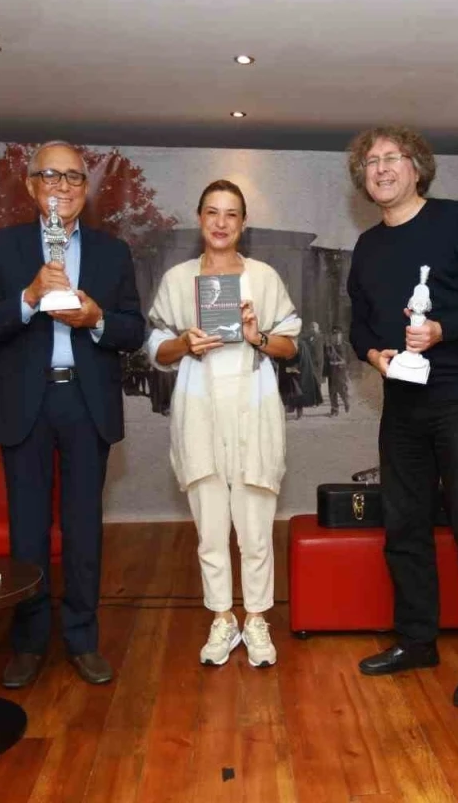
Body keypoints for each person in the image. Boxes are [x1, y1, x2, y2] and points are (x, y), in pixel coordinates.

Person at [345, 126, 458, 708]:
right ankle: (417, 641)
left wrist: (443, 329)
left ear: (417, 167)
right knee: (404, 529)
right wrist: (373, 354)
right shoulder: (368, 247)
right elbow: (359, 325)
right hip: (401, 403)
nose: (380, 168)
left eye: (391, 157)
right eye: (371, 161)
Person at [0, 141, 145, 688]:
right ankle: (27, 643)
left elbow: (133, 330)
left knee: (83, 528)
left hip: (85, 403)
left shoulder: (112, 252)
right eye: (51, 175)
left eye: (73, 177)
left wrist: (96, 319)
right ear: (31, 186)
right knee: (27, 532)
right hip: (26, 403)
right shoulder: (2, 247)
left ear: (85, 190)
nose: (62, 186)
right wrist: (27, 297)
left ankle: (82, 639)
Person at [146, 179, 300, 668]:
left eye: (231, 214)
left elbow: (290, 344)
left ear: (243, 223)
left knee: (255, 527)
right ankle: (221, 618)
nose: (221, 222)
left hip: (253, 410)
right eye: (212, 212)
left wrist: (257, 337)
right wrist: (184, 344)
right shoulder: (178, 279)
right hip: (200, 411)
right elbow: (157, 349)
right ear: (200, 218)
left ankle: (256, 618)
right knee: (210, 529)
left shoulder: (264, 278)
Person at [325, 326, 351, 415]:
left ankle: (346, 402)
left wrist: (346, 368)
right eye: (334, 335)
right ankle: (334, 409)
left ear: (341, 335)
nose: (336, 337)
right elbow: (325, 359)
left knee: (342, 390)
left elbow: (349, 360)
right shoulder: (328, 347)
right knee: (332, 392)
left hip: (341, 372)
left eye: (338, 334)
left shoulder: (346, 346)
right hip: (331, 372)